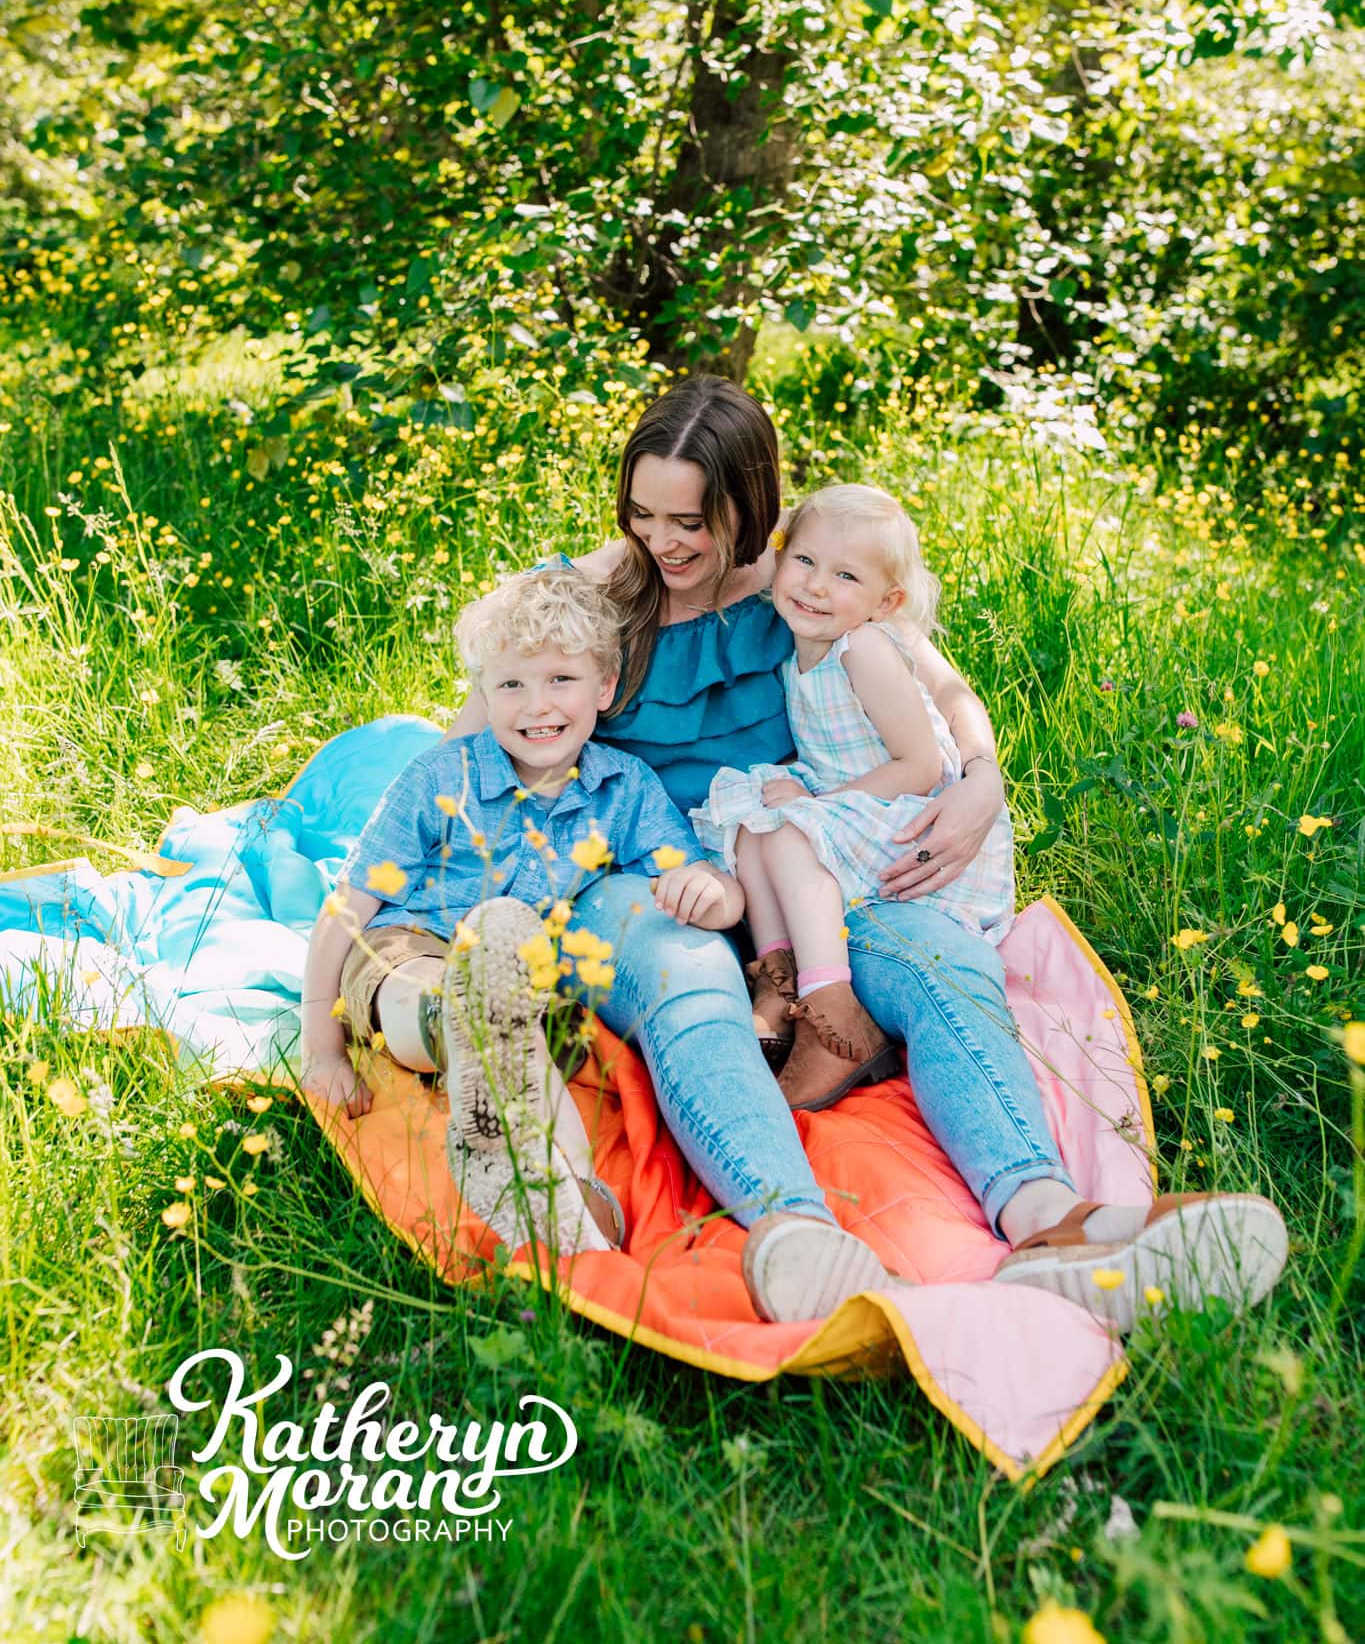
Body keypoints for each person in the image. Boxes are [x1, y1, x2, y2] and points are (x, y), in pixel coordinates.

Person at [443, 376, 1288, 1334]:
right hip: (644, 875)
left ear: (751, 507)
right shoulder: (600, 589)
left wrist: (979, 777)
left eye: (691, 520)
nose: (663, 542)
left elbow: (945, 688)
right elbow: (469, 749)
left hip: (807, 856)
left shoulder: (803, 582)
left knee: (941, 959)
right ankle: (795, 1234)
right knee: (691, 985)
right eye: (642, 513)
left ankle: (1051, 1224)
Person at [299, 566, 744, 1257]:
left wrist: (716, 894)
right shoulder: (444, 775)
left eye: (559, 680)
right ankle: (560, 1173)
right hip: (411, 941)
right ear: (483, 693)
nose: (535, 705)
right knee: (429, 996)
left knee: (517, 1025)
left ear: (604, 687)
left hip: (523, 975)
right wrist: (320, 1047)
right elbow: (345, 909)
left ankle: (563, 1194)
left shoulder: (622, 787)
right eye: (511, 684)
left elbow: (686, 876)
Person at [690, 482, 1015, 1112]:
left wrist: (816, 804)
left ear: (884, 601)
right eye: (805, 562)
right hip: (864, 802)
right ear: (778, 559)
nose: (815, 585)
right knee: (752, 815)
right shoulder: (803, 642)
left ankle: (834, 1017)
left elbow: (920, 767)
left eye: (845, 576)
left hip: (917, 822)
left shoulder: (863, 648)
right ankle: (778, 982)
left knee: (785, 827)